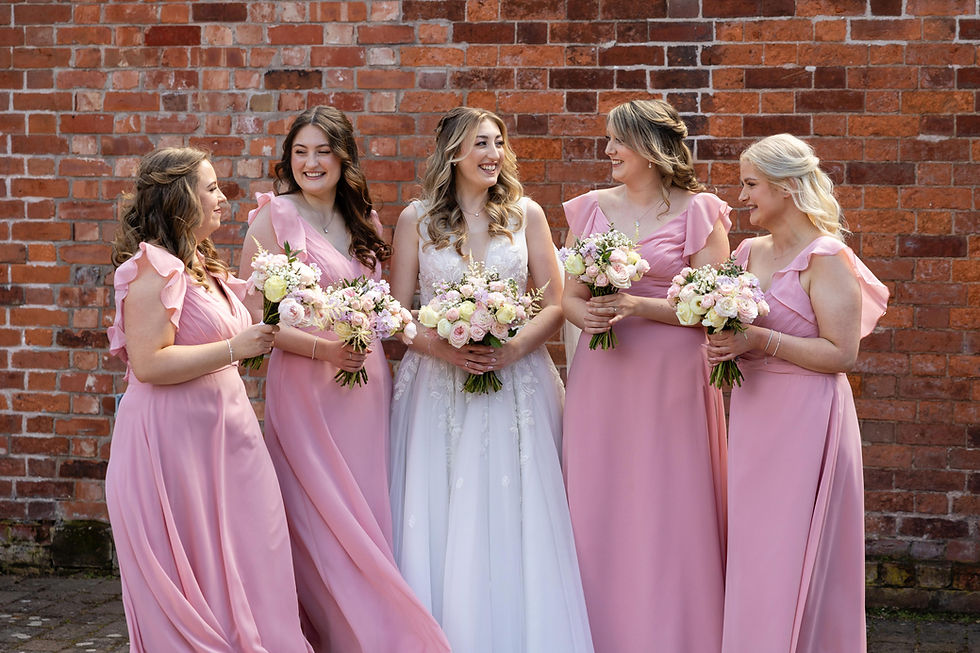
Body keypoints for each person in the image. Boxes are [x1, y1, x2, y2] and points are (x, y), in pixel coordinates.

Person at [239, 106, 450, 653]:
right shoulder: (272, 219)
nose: (311, 162)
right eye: (301, 151)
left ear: (343, 157)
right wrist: (323, 347)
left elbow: (385, 306)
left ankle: (377, 628)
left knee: (365, 507)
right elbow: (251, 320)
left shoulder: (365, 221)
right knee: (314, 511)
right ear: (289, 159)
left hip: (365, 382)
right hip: (306, 383)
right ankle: (337, 634)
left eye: (323, 151)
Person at [388, 106, 594, 653]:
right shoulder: (416, 219)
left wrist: (515, 348)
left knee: (518, 508)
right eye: (480, 143)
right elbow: (398, 312)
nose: (493, 154)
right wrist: (444, 349)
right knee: (442, 507)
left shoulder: (526, 214)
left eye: (498, 142)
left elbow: (555, 302)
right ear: (453, 151)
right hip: (437, 382)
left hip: (516, 381)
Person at [105, 147, 312, 651]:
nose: (223, 197)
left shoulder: (200, 263)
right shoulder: (154, 268)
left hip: (227, 438)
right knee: (196, 568)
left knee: (254, 550)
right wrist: (232, 349)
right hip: (173, 444)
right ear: (182, 200)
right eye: (212, 188)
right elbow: (149, 363)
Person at [706, 133, 888, 653]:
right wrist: (720, 343)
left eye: (751, 184)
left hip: (806, 417)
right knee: (754, 547)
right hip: (753, 412)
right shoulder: (746, 252)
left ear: (786, 188)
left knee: (791, 545)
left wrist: (757, 338)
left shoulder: (826, 256)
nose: (741, 196)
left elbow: (841, 354)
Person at [561, 98, 731, 653]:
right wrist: (579, 312)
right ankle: (596, 630)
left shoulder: (700, 210)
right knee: (601, 492)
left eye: (618, 141)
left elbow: (714, 305)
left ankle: (674, 631)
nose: (608, 151)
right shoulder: (588, 209)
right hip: (604, 373)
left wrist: (639, 306)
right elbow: (568, 293)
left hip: (672, 374)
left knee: (668, 496)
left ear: (651, 151)